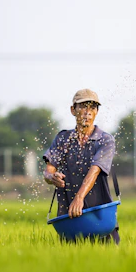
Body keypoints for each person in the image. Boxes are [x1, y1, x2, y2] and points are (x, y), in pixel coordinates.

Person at [42, 89, 120, 244]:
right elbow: (48, 171)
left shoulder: (104, 140)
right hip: (70, 219)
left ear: (97, 112)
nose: (87, 112)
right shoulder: (63, 139)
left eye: (92, 108)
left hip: (100, 217)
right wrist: (52, 177)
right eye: (83, 107)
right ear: (73, 110)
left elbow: (95, 170)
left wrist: (79, 197)